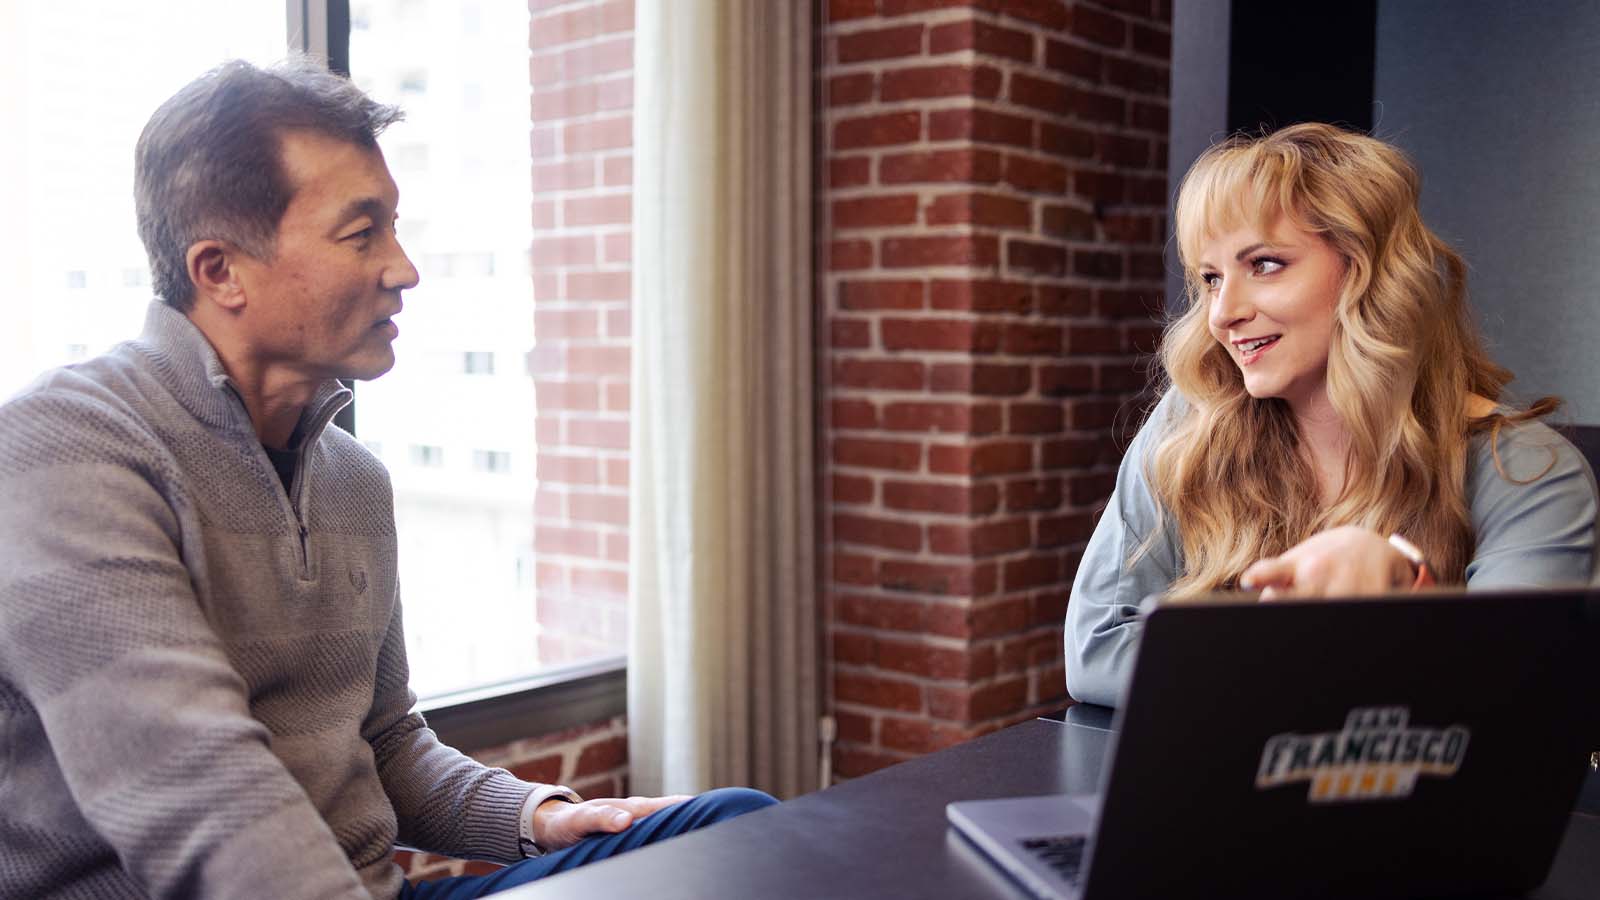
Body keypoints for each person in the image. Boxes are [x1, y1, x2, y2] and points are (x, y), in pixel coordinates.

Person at [0, 58, 774, 899]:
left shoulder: (353, 480)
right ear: (220, 271)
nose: (403, 268)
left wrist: (537, 818)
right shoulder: (64, 447)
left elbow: (384, 739)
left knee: (741, 829)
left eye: (393, 228)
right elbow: (197, 786)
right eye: (361, 233)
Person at [1064, 123, 1598, 707]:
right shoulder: (1189, 426)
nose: (1222, 314)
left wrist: (1402, 590)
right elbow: (1097, 648)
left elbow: (1513, 692)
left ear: (1369, 271)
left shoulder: (1527, 470)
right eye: (1211, 277)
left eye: (1265, 264)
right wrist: (1327, 655)